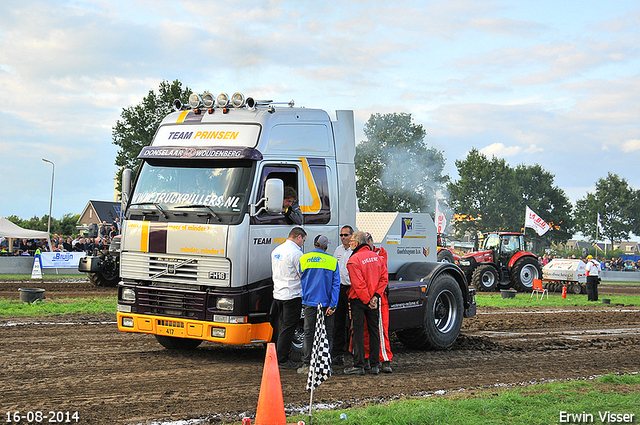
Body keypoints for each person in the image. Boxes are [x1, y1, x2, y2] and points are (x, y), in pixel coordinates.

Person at [344, 231, 388, 375]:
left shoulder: (353, 260)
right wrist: (375, 297)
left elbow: (358, 284)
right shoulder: (377, 257)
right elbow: (384, 279)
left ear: (357, 243)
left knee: (358, 332)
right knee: (374, 331)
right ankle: (375, 365)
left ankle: (359, 365)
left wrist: (367, 300)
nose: (349, 244)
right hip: (374, 301)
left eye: (351, 241)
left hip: (359, 300)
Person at [297, 234, 340, 374]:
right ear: (325, 246)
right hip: (327, 304)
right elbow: (336, 285)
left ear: (314, 244)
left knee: (309, 333)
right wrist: (333, 305)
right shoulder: (332, 261)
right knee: (327, 334)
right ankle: (325, 365)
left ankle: (306, 365)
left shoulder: (304, 259)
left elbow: (301, 276)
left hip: (310, 302)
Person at [270, 227, 306, 369]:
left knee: (281, 327)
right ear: (298, 237)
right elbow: (302, 274)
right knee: (288, 328)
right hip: (292, 294)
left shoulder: (276, 250)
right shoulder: (297, 253)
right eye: (303, 240)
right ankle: (282, 359)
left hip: (278, 293)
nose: (303, 243)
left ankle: (278, 355)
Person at [363, 232, 393, 373]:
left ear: (370, 241)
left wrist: (375, 295)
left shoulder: (380, 252)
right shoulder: (361, 254)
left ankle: (385, 359)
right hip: (364, 295)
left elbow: (382, 275)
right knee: (364, 330)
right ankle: (367, 358)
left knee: (381, 329)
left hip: (378, 296)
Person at [331, 225, 354, 366]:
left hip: (352, 289)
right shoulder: (338, 250)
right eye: (341, 235)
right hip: (339, 289)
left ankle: (355, 353)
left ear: (352, 236)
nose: (343, 237)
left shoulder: (355, 251)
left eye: (346, 235)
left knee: (354, 322)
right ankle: (338, 353)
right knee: (338, 322)